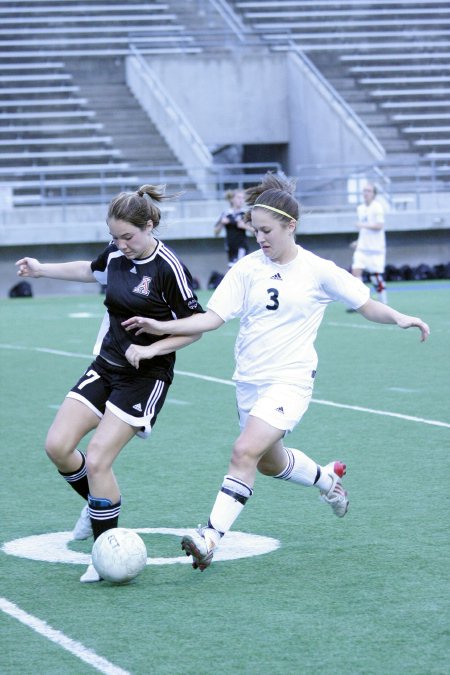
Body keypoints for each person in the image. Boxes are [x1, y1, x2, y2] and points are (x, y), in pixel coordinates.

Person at [122, 173, 430, 572]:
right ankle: (327, 481)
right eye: (255, 230)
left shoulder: (318, 270)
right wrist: (162, 329)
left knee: (243, 452)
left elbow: (366, 303)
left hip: (291, 379)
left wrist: (400, 317)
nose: (260, 238)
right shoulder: (247, 268)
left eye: (267, 230)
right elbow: (212, 318)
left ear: (291, 226)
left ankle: (210, 537)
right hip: (249, 381)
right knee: (267, 462)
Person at [15, 184, 204, 582]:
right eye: (114, 237)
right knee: (58, 446)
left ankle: (105, 553)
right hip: (106, 364)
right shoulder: (117, 252)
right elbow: (91, 269)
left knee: (98, 458)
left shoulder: (169, 268)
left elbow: (195, 327)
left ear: (149, 225)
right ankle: (100, 503)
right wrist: (42, 268)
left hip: (145, 377)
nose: (120, 245)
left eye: (128, 236)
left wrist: (153, 348)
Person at [349, 182, 387, 305]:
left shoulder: (377, 207)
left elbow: (379, 226)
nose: (366, 193)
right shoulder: (360, 208)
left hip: (375, 249)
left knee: (376, 277)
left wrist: (362, 225)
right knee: (356, 273)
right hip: (362, 249)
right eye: (364, 190)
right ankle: (360, 302)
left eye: (369, 191)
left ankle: (383, 301)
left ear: (374, 194)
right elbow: (364, 230)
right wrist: (358, 242)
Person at [214, 189, 253, 269]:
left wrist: (245, 226)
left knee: (239, 268)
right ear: (232, 199)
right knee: (232, 269)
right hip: (230, 247)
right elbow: (216, 232)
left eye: (242, 198)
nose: (241, 200)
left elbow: (255, 231)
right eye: (239, 198)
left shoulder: (245, 214)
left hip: (242, 247)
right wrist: (222, 223)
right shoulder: (226, 214)